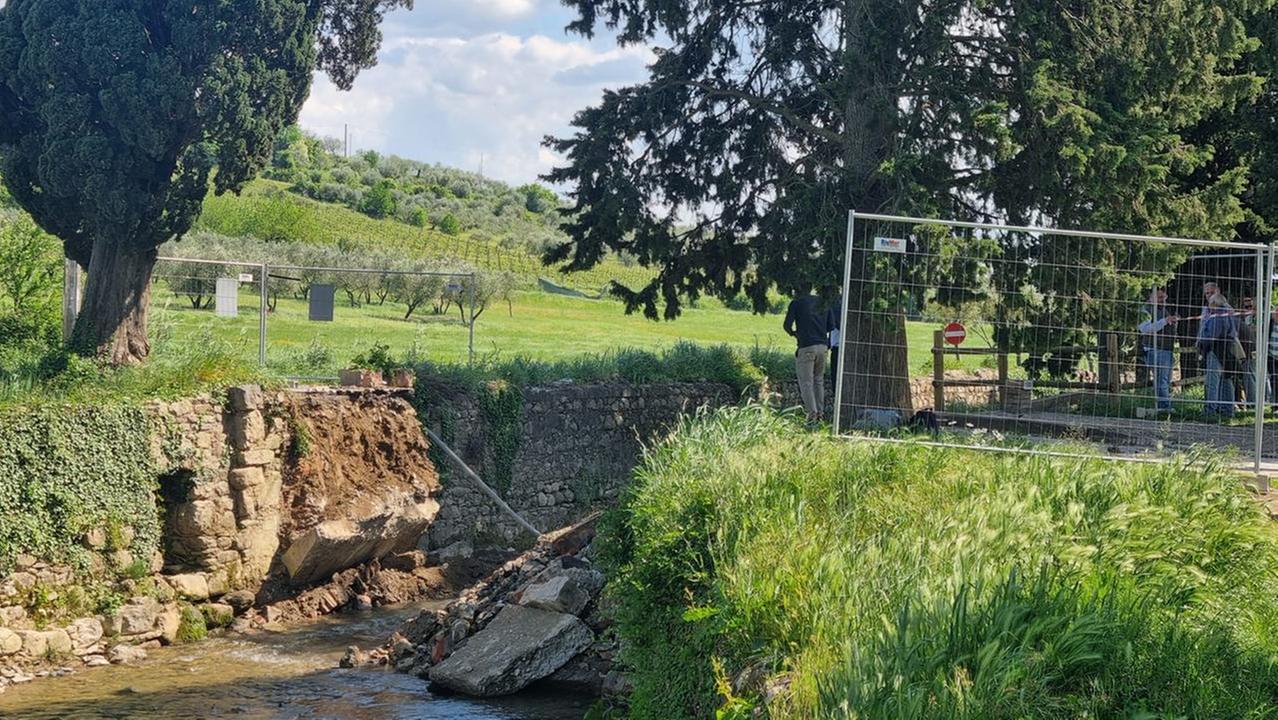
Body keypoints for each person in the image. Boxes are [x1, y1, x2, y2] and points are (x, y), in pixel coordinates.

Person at [784, 284, 829, 422]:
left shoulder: (797, 303)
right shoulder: (823, 302)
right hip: (822, 345)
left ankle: (812, 414)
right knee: (819, 380)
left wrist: (794, 334)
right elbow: (830, 325)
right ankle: (821, 413)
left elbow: (787, 325)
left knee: (806, 382)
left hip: (806, 346)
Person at [1137, 287, 1178, 412]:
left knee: (1165, 379)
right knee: (1161, 380)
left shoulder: (1162, 309)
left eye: (1164, 297)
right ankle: (1163, 407)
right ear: (1151, 298)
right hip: (1155, 349)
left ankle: (1164, 406)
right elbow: (1145, 329)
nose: (1163, 300)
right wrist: (1165, 321)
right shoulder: (1145, 310)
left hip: (1166, 348)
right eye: (1160, 298)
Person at [1198, 290, 1239, 418]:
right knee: (1226, 379)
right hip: (1227, 349)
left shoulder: (1217, 315)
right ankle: (1228, 409)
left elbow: (1212, 335)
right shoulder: (1229, 314)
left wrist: (1201, 342)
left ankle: (1210, 410)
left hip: (1215, 349)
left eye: (1211, 302)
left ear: (1214, 303)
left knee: (1212, 381)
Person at [826, 292, 843, 392]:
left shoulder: (836, 309)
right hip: (836, 345)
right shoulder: (836, 308)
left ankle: (836, 393)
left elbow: (836, 325)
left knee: (836, 373)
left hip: (838, 347)